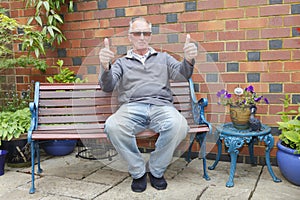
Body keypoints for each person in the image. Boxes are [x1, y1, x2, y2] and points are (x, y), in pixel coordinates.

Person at [98, 17, 198, 192]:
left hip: (161, 106)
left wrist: (188, 60)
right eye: (137, 33)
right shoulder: (122, 62)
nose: (142, 37)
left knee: (180, 125)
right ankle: (138, 172)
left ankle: (156, 170)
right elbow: (108, 86)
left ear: (150, 36)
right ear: (130, 36)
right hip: (131, 107)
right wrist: (105, 67)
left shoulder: (164, 58)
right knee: (112, 126)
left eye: (146, 33)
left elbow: (182, 76)